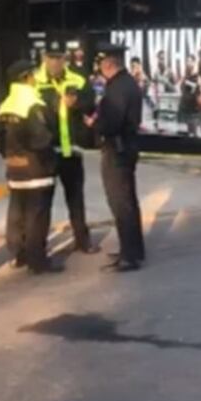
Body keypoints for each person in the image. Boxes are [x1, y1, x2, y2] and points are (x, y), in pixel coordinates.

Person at [0, 60, 62, 274]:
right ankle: (37, 260)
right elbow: (43, 138)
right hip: (37, 169)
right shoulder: (33, 103)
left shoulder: (6, 104)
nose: (35, 78)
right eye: (33, 75)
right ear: (26, 78)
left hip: (14, 168)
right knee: (37, 215)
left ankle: (19, 254)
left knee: (17, 212)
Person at [35, 47, 100, 255]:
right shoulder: (35, 79)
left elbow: (91, 103)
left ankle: (82, 241)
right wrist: (53, 104)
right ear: (44, 58)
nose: (55, 62)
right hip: (46, 150)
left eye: (59, 58)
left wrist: (76, 103)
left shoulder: (77, 78)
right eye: (51, 58)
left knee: (76, 199)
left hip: (71, 150)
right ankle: (38, 248)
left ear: (65, 59)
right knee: (42, 203)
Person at [86, 44, 145, 272]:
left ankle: (129, 256)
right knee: (128, 201)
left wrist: (94, 125)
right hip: (127, 147)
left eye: (101, 63)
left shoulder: (117, 88)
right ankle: (134, 249)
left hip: (117, 150)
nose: (100, 68)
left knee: (120, 203)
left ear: (108, 64)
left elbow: (112, 123)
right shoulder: (127, 83)